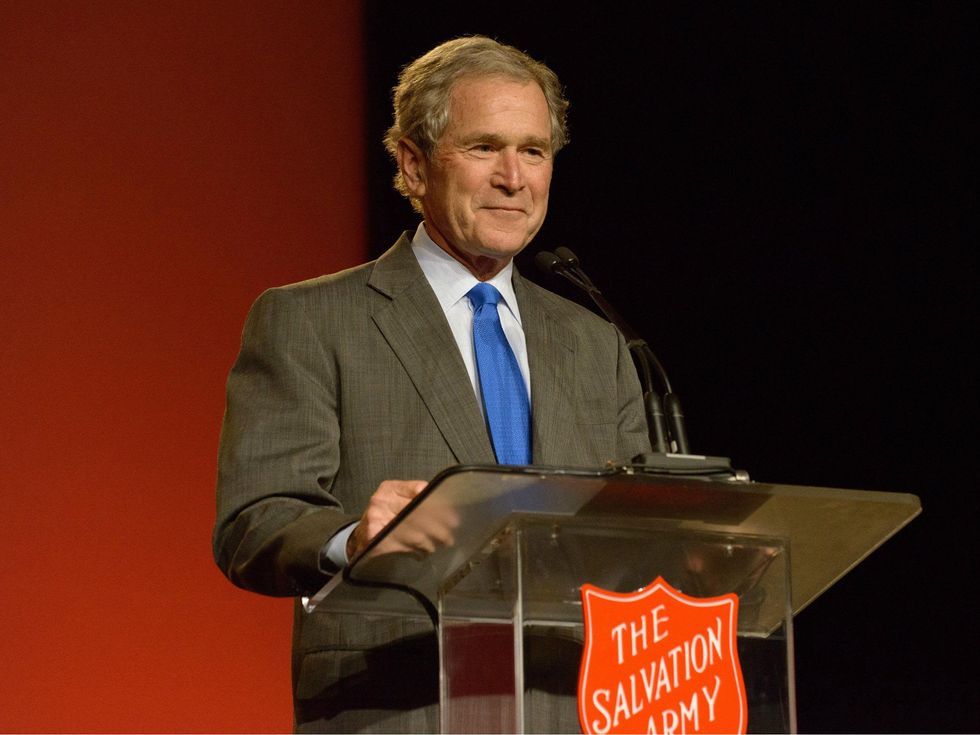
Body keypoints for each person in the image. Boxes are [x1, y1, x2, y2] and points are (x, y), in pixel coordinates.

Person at [214, 35, 651, 733]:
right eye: (484, 148)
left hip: (574, 710)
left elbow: (637, 536)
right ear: (412, 165)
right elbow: (254, 521)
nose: (515, 176)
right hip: (399, 705)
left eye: (533, 151)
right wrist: (353, 537)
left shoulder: (597, 341)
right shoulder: (309, 319)